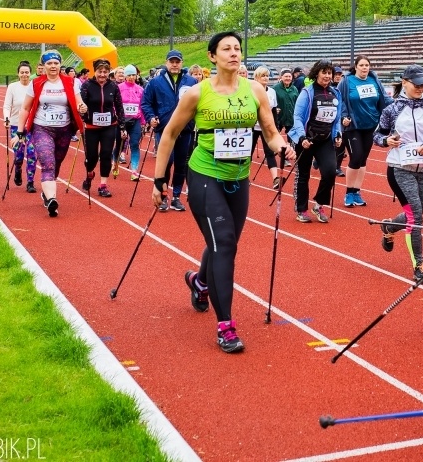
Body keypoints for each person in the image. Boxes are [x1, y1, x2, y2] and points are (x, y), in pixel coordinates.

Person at [151, 31, 295, 353]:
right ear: (212, 56)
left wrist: (283, 148)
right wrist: (159, 180)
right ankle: (225, 325)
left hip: (238, 177)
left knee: (221, 243)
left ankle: (200, 282)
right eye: (226, 48)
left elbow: (270, 133)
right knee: (225, 244)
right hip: (204, 176)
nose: (234, 53)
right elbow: (170, 133)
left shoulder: (255, 90)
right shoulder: (196, 93)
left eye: (237, 48)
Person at [374, 64, 423, 286]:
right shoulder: (392, 110)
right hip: (400, 169)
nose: (420, 87)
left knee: (416, 215)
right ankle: (419, 265)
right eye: (416, 84)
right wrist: (387, 141)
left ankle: (389, 226)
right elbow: (377, 135)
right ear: (404, 82)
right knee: (416, 216)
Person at [10, 49, 86, 217]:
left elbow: (79, 102)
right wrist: (20, 131)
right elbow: (25, 108)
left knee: (56, 163)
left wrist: (82, 107)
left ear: (60, 65)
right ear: (43, 66)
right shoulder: (36, 83)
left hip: (64, 130)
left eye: (56, 63)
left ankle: (46, 193)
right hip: (41, 128)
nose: (53, 66)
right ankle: (52, 199)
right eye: (49, 63)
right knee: (47, 162)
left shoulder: (71, 82)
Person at [141, 49, 198, 212]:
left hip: (185, 129)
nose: (174, 64)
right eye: (171, 61)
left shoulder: (191, 82)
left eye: (177, 61)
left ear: (182, 63)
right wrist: (151, 117)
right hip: (164, 129)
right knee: (167, 161)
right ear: (167, 63)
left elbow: (198, 103)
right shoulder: (155, 82)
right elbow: (145, 103)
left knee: (181, 163)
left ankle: (176, 197)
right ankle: (163, 194)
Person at [288, 60, 344, 223]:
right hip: (306, 139)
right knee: (303, 175)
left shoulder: (335, 93)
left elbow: (337, 117)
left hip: (325, 139)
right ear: (317, 73)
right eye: (324, 72)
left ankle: (318, 205)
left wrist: (337, 134)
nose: (327, 76)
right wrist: (302, 137)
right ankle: (301, 209)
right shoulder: (307, 92)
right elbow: (297, 117)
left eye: (329, 73)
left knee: (329, 171)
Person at [338, 56, 393, 207]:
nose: (364, 68)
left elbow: (384, 99)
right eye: (361, 65)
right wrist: (343, 116)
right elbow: (340, 99)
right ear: (355, 67)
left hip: (371, 125)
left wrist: (397, 106)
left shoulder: (374, 80)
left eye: (367, 65)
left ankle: (357, 191)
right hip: (353, 126)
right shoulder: (347, 81)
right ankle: (349, 193)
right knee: (355, 158)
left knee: (363, 160)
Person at [79, 59, 126, 197]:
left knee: (106, 154)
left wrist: (122, 126)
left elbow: (119, 107)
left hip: (109, 126)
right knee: (91, 156)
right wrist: (82, 112)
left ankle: (103, 185)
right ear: (95, 71)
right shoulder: (87, 85)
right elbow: (81, 104)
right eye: (100, 71)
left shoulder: (113, 86)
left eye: (105, 72)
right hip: (91, 126)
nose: (103, 74)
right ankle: (90, 174)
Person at [3, 60, 37, 193]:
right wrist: (6, 118)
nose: (24, 75)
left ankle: (30, 182)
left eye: (27, 72)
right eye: (22, 72)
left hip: (31, 127)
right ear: (18, 74)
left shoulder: (34, 86)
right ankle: (18, 169)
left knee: (32, 154)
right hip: (16, 126)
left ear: (30, 74)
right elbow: (7, 105)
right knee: (18, 155)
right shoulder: (12, 87)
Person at [251, 65, 281, 188]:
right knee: (248, 153)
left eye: (267, 75)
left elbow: (273, 111)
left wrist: (276, 126)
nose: (266, 78)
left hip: (266, 128)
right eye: (263, 76)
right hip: (252, 127)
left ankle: (275, 178)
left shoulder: (272, 92)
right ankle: (244, 177)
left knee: (269, 153)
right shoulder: (251, 91)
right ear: (256, 78)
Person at [117, 65, 146, 181]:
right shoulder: (119, 88)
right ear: (125, 76)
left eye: (133, 75)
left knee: (134, 144)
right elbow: (115, 105)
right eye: (129, 75)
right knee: (119, 144)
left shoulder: (140, 89)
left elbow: (142, 106)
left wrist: (143, 122)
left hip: (135, 121)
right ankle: (115, 163)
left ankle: (134, 171)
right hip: (122, 121)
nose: (131, 77)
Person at [273, 68, 298, 137]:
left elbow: (297, 103)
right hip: (278, 118)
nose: (288, 78)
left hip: (291, 118)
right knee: (276, 139)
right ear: (281, 77)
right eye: (286, 76)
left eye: (289, 76)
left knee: (293, 140)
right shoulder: (275, 88)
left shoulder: (294, 89)